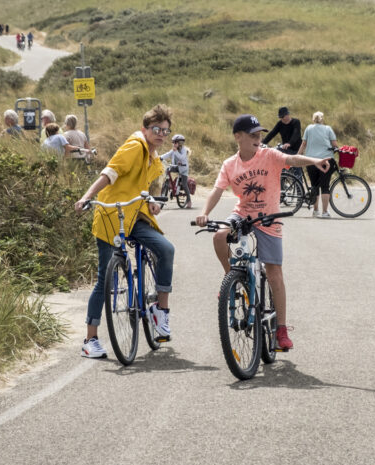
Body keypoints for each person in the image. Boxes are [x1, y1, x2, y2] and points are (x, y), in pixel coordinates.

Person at [195, 114, 331, 351]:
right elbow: (217, 190)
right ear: (238, 137)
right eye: (252, 135)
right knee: (219, 236)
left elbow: (292, 159)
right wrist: (205, 212)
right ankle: (231, 278)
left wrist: (314, 160)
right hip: (242, 213)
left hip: (268, 217)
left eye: (259, 134)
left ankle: (281, 329)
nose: (258, 138)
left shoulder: (269, 155)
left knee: (274, 271)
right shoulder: (230, 164)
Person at [73, 105, 177, 358]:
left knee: (166, 249)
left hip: (134, 216)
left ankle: (160, 311)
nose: (161, 134)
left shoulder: (152, 154)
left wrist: (152, 201)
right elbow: (109, 173)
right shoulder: (134, 146)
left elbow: (146, 183)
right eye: (156, 129)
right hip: (111, 216)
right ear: (145, 129)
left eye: (165, 131)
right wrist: (86, 196)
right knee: (104, 279)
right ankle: (90, 340)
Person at [298, 111, 338, 218]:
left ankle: (315, 211)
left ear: (313, 119)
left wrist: (298, 155)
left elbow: (304, 143)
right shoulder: (328, 129)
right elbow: (335, 145)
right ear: (322, 119)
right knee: (325, 186)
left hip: (311, 160)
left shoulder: (308, 128)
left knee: (314, 185)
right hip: (326, 160)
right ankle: (325, 212)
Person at [160, 134, 193, 208]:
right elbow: (167, 154)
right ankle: (168, 184)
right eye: (173, 142)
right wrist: (160, 158)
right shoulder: (174, 149)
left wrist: (175, 151)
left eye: (175, 142)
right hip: (175, 167)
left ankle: (189, 201)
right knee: (168, 170)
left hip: (183, 169)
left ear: (180, 143)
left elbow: (181, 158)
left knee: (184, 184)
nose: (173, 144)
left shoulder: (184, 150)